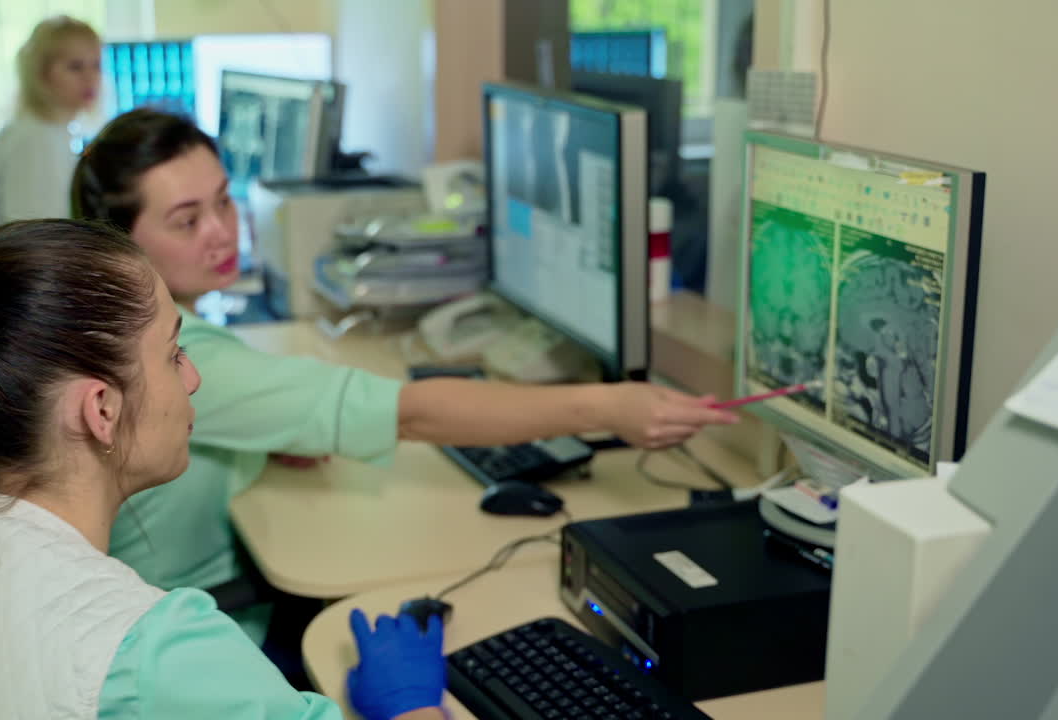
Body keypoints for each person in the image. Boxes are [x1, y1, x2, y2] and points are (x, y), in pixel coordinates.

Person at [70, 108, 739, 628]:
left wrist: (265, 444)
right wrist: (607, 406)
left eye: (222, 201)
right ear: (116, 244)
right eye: (187, 221)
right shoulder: (182, 362)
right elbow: (413, 411)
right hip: (202, 637)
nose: (221, 230)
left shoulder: (132, 334)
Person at [0, 220, 445, 720]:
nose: (194, 378)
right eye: (174, 354)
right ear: (101, 409)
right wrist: (408, 706)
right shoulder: (157, 652)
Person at [0, 16, 101, 230]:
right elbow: (38, 240)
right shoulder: (35, 140)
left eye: (96, 65)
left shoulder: (55, 132)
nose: (91, 77)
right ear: (41, 74)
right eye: (75, 67)